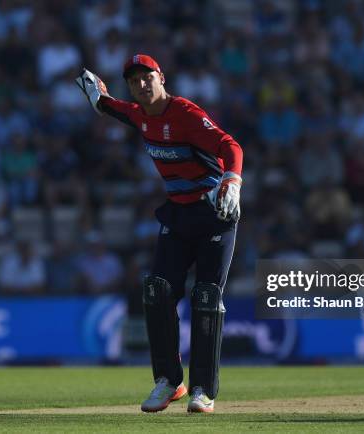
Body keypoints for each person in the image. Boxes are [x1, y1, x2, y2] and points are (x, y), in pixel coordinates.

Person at [76, 54, 243, 413]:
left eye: (146, 77)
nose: (141, 85)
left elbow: (231, 145)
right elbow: (112, 107)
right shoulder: (139, 114)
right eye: (134, 80)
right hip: (179, 214)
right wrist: (97, 97)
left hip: (214, 211)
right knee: (156, 291)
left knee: (207, 297)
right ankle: (169, 382)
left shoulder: (185, 114)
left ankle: (203, 390)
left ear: (161, 77)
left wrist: (232, 179)